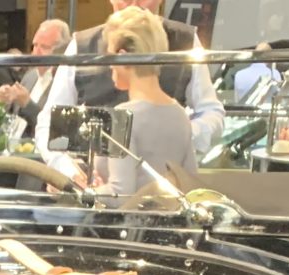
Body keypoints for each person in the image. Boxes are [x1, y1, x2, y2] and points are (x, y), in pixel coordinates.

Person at [37, 0, 222, 157]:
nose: (133, 4)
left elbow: (211, 113)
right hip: (90, 176)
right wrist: (68, 171)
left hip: (162, 176)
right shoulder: (81, 46)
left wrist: (179, 135)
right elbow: (48, 122)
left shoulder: (186, 43)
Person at [60, 8, 193, 194]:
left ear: (122, 56)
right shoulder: (180, 115)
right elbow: (190, 183)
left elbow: (120, 194)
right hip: (169, 212)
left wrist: (84, 191)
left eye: (109, 56)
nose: (109, 66)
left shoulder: (124, 117)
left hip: (128, 213)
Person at [0, 18, 69, 133]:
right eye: (35, 45)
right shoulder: (30, 76)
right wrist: (6, 100)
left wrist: (27, 104)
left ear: (61, 51)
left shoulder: (64, 83)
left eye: (44, 47)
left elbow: (57, 128)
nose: (36, 52)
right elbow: (13, 117)